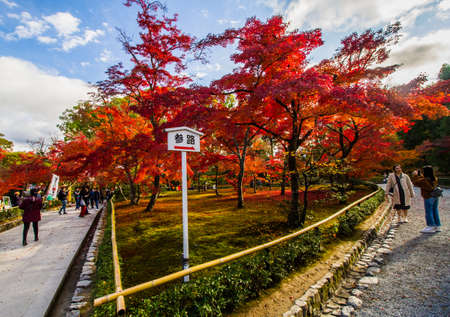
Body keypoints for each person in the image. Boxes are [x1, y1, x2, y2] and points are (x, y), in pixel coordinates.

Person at [412, 166, 441, 233]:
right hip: (435, 196)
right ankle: (437, 225)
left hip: (428, 196)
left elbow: (416, 182)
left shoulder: (424, 180)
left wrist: (416, 175)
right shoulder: (434, 178)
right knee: (435, 210)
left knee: (429, 211)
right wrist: (420, 175)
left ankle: (430, 226)